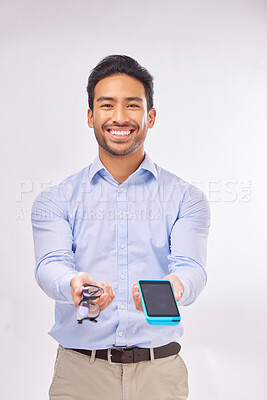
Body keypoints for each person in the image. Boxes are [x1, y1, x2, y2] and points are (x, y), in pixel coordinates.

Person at [31, 54, 211, 400]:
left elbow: (191, 270)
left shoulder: (186, 198)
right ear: (90, 116)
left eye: (132, 105)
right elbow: (49, 265)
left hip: (160, 375)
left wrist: (174, 287)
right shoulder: (56, 199)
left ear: (150, 116)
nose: (119, 117)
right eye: (106, 105)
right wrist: (72, 283)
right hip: (81, 374)